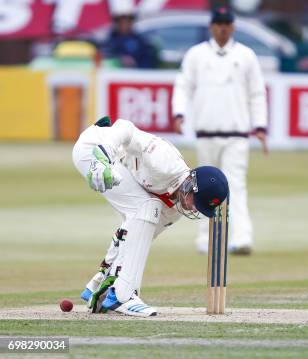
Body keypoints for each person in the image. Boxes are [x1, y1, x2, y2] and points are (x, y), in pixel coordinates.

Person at [72, 116, 229, 317]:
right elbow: (125, 128)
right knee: (148, 206)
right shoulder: (166, 162)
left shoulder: (173, 210)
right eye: (194, 201)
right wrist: (104, 156)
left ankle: (119, 292)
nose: (191, 208)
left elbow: (133, 239)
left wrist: (102, 278)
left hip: (115, 167)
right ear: (191, 184)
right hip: (95, 150)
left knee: (146, 215)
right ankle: (123, 296)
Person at [172, 6, 268, 256]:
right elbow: (183, 85)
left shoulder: (246, 55)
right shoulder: (196, 55)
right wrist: (179, 112)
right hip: (206, 133)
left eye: (227, 23)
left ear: (233, 27)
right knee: (203, 188)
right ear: (211, 26)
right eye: (218, 23)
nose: (223, 28)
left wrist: (260, 126)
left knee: (236, 184)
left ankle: (242, 237)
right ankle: (205, 239)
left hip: (236, 134)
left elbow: (257, 92)